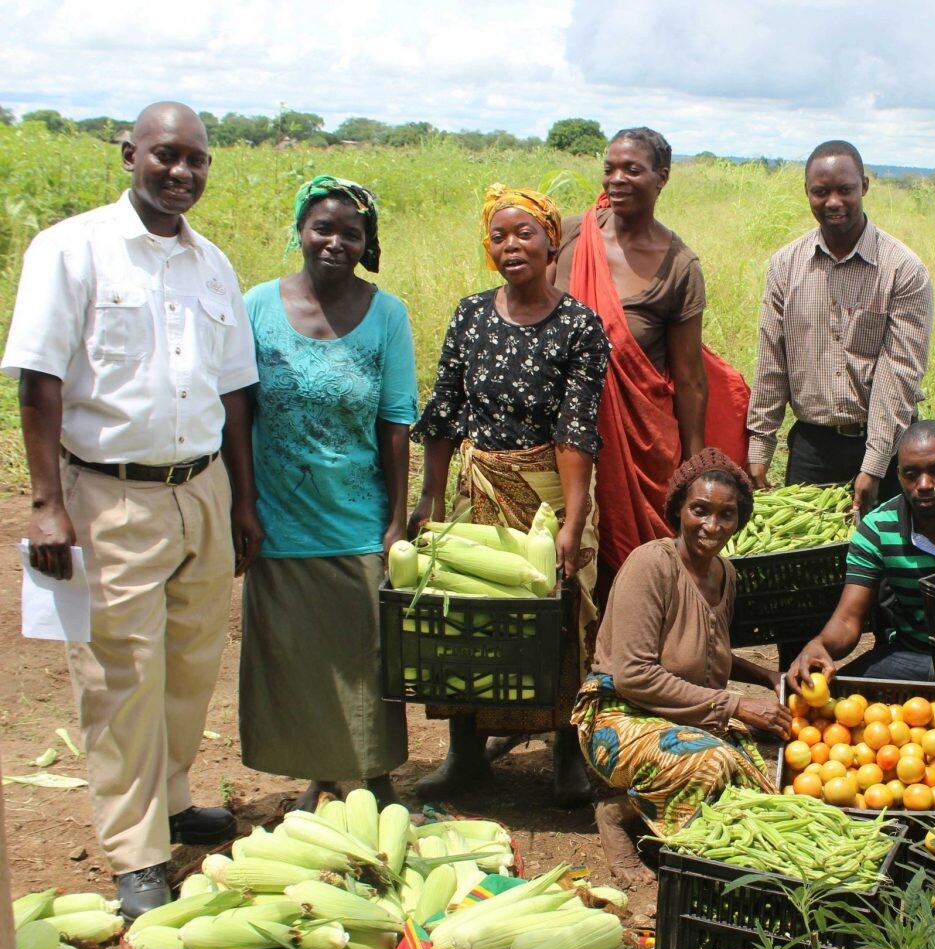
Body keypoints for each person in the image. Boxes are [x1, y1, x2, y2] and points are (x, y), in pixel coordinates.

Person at [2, 102, 260, 917]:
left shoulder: (213, 265)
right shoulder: (71, 249)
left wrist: (242, 500)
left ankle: (176, 800)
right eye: (165, 156)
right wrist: (47, 505)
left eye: (197, 160)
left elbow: (236, 391)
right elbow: (38, 378)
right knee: (120, 677)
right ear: (129, 154)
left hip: (202, 491)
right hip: (108, 494)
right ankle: (135, 851)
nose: (182, 172)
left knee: (190, 666)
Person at [408, 185, 609, 804]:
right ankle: (465, 753)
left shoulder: (579, 325)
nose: (511, 245)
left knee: (561, 613)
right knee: (467, 618)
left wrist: (573, 523)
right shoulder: (470, 315)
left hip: (550, 492)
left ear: (553, 240)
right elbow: (444, 412)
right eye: (499, 236)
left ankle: (568, 755)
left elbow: (576, 429)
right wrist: (430, 497)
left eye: (525, 233)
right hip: (479, 491)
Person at [237, 176, 417, 813]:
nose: (335, 240)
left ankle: (374, 775)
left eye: (351, 232)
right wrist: (243, 504)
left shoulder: (386, 314)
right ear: (300, 231)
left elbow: (396, 423)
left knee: (367, 656)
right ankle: (321, 772)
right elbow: (237, 414)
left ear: (367, 243)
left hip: (357, 520)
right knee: (300, 658)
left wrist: (396, 522)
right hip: (279, 519)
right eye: (322, 227)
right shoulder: (257, 305)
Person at [573, 449, 791, 886]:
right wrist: (735, 705)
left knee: (756, 784)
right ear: (678, 511)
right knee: (710, 764)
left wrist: (767, 677)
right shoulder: (652, 565)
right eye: (700, 511)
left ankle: (666, 820)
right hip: (617, 715)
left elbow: (705, 650)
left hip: (684, 715)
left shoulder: (724, 573)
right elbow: (634, 675)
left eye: (726, 515)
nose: (712, 526)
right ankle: (617, 814)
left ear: (739, 520)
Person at [554, 128, 751, 588]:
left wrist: (694, 460)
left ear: (662, 178)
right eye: (610, 169)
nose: (617, 179)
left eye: (632, 170)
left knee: (638, 565)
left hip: (641, 441)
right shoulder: (569, 235)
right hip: (563, 434)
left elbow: (689, 376)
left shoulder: (679, 265)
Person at [787, 420, 935, 795]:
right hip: (914, 653)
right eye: (911, 474)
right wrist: (819, 646)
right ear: (898, 475)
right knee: (842, 698)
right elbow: (848, 619)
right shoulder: (878, 528)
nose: (924, 485)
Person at [747, 140, 933, 519]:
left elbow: (899, 372)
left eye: (844, 190)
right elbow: (772, 361)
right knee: (810, 561)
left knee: (885, 560)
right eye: (821, 191)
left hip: (887, 442)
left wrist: (874, 465)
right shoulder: (785, 266)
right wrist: (759, 449)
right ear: (807, 193)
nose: (833, 201)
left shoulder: (902, 269)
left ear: (863, 186)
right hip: (812, 445)